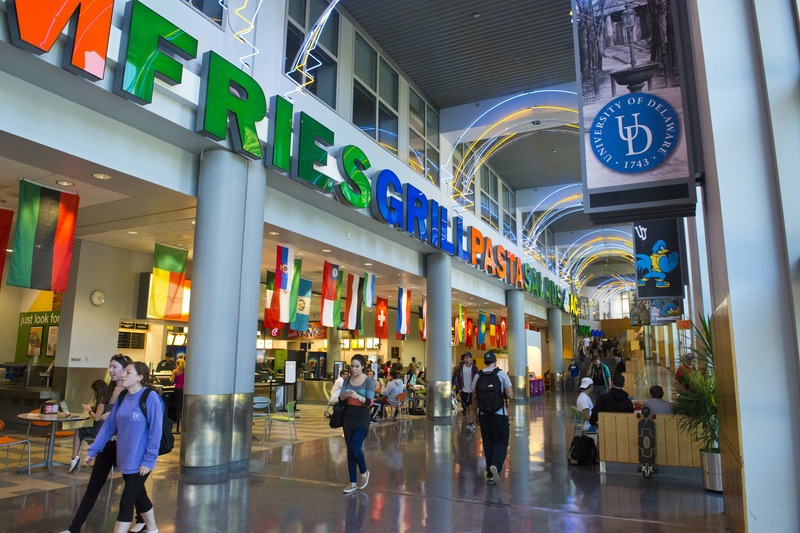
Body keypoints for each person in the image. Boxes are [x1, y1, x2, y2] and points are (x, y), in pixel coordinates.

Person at [57, 354, 146, 533]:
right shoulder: (111, 390)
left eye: (115, 367)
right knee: (94, 486)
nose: (111, 370)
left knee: (134, 488)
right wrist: (94, 448)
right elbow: (104, 425)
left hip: (125, 446)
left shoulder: (133, 393)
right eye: (110, 367)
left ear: (126, 369)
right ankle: (74, 528)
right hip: (108, 445)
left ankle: (143, 520)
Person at [85, 361, 163, 533]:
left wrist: (149, 460)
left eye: (128, 372)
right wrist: (93, 449)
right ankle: (153, 529)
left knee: (126, 502)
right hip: (125, 459)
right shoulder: (122, 397)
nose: (122, 375)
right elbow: (108, 427)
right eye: (124, 372)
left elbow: (155, 432)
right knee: (141, 498)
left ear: (140, 377)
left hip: (141, 461)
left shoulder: (150, 398)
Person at [472, 351, 513, 485]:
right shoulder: (501, 374)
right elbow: (510, 395)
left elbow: (474, 398)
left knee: (488, 443)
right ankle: (495, 465)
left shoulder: (478, 376)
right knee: (501, 441)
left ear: (484, 361)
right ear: (495, 361)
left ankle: (490, 475)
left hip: (484, 415)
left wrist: (475, 416)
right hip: (499, 414)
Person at [339, 354, 375, 494]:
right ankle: (352, 482)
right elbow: (341, 398)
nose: (353, 369)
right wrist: (344, 396)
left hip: (362, 418)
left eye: (356, 367)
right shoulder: (347, 379)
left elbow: (370, 402)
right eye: (352, 366)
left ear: (363, 366)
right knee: (349, 451)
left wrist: (358, 397)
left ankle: (364, 471)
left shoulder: (368, 381)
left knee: (355, 448)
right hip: (348, 417)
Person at [68, 380, 110, 472]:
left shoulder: (101, 403)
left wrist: (89, 410)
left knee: (79, 432)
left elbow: (96, 418)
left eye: (94, 391)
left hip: (98, 430)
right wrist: (93, 408)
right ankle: (98, 455)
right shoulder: (108, 400)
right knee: (88, 436)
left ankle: (74, 458)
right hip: (106, 430)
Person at [452, 352, 479, 432]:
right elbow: (457, 378)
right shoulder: (460, 367)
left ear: (470, 358)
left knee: (471, 407)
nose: (466, 359)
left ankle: (471, 423)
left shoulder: (474, 368)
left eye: (467, 357)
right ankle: (471, 422)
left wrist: (476, 388)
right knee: (466, 407)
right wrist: (459, 389)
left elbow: (477, 377)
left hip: (472, 390)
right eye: (465, 357)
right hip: (464, 390)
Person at [170, 358, 185, 429]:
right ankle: (182, 419)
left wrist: (170, 378)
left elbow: (172, 380)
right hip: (184, 389)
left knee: (177, 405)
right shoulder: (186, 371)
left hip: (178, 389)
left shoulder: (175, 371)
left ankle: (178, 419)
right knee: (182, 404)